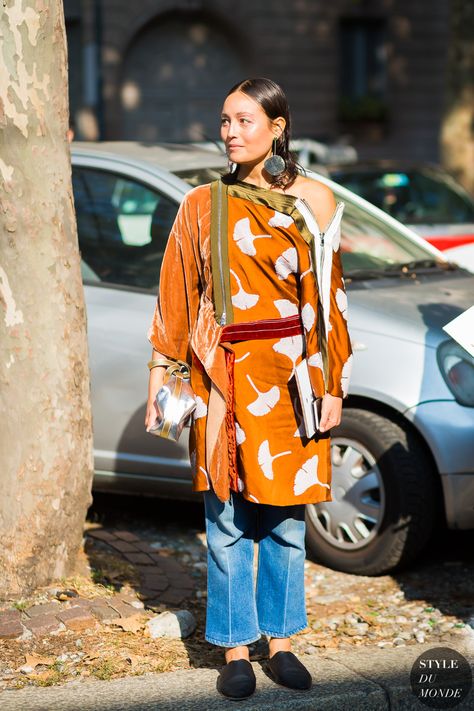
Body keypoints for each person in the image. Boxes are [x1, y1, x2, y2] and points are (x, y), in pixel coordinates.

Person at [145, 77, 353, 700]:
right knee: (226, 519)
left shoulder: (313, 197)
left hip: (290, 376)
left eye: (244, 121)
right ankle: (235, 647)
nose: (231, 132)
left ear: (277, 127)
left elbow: (330, 297)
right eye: (225, 121)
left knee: (286, 520)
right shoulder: (199, 205)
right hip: (219, 376)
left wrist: (333, 382)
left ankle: (282, 642)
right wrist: (164, 375)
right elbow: (176, 297)